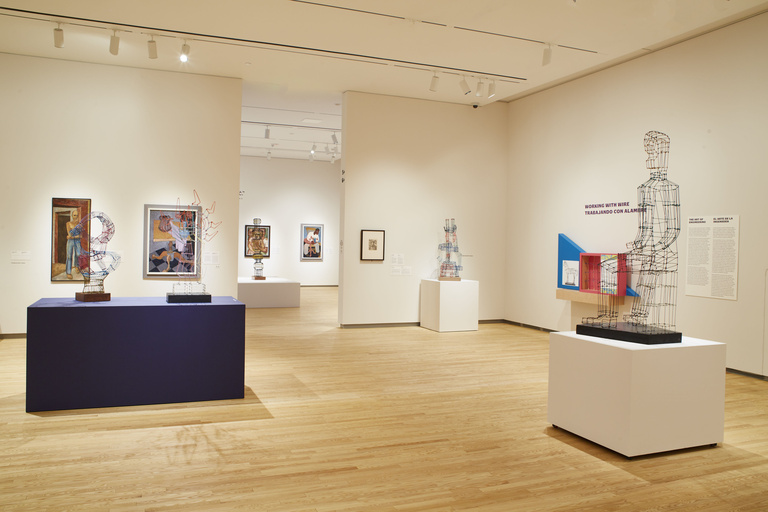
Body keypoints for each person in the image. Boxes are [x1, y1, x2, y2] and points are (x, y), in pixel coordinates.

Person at [584, 131, 680, 330]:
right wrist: (637, 244)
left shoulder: (669, 188)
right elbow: (643, 228)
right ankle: (607, 316)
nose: (649, 158)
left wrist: (655, 247)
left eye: (652, 153)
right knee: (609, 266)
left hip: (663, 253)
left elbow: (673, 229)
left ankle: (639, 315)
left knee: (649, 269)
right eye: (648, 153)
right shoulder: (644, 187)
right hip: (646, 249)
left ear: (663, 153)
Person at [65, 209, 82, 279]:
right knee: (69, 256)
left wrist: (72, 236)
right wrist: (71, 236)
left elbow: (81, 236)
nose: (76, 217)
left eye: (77, 215)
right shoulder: (68, 223)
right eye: (74, 215)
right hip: (70, 241)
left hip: (77, 241)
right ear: (72, 215)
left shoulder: (80, 224)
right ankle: (68, 272)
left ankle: (76, 265)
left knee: (78, 254)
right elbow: (69, 234)